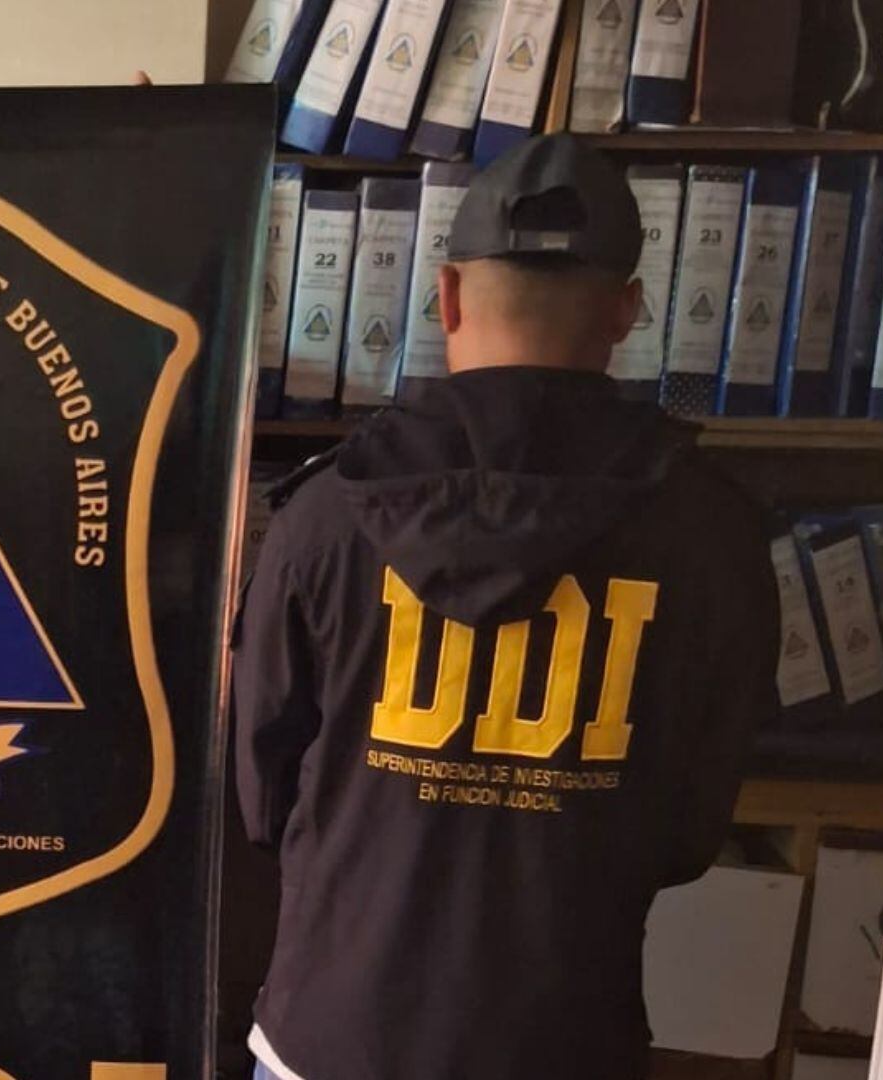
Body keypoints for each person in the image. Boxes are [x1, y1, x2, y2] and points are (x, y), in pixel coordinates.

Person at [233, 135, 779, 1080]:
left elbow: (260, 793)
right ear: (628, 310)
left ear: (446, 297)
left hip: (332, 1034)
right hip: (562, 1037)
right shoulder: (716, 537)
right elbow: (690, 831)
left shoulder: (323, 516)